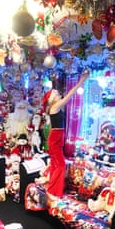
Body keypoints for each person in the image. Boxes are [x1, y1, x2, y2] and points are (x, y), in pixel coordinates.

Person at [42, 70, 90, 202]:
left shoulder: (56, 107)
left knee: (56, 164)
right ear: (53, 98)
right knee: (61, 165)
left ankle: (52, 188)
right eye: (56, 94)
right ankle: (52, 191)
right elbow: (70, 95)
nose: (58, 93)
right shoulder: (55, 106)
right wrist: (81, 81)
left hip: (58, 137)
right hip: (56, 138)